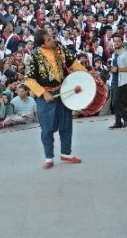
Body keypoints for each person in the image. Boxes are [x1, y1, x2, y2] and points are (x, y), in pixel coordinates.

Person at [25, 30, 87, 169]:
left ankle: (66, 153)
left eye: (51, 37)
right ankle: (49, 157)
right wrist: (43, 93)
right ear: (42, 44)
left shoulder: (58, 46)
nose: (52, 40)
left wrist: (86, 74)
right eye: (48, 40)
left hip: (64, 90)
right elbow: (29, 79)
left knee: (66, 124)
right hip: (46, 95)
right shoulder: (33, 56)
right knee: (47, 128)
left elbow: (72, 63)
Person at [108, 34, 127, 129]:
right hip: (113, 80)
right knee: (114, 103)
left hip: (122, 81)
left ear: (121, 42)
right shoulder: (113, 54)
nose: (116, 43)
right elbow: (113, 67)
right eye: (115, 41)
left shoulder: (126, 54)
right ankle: (118, 122)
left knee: (115, 102)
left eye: (118, 41)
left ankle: (126, 118)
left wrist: (118, 69)